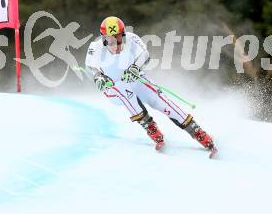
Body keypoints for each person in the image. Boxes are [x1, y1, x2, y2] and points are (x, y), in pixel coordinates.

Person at [85, 16, 217, 158]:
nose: (114, 44)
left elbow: (145, 55)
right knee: (122, 89)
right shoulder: (96, 47)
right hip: (113, 88)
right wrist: (98, 77)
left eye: (117, 39)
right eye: (109, 40)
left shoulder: (131, 38)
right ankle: (150, 127)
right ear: (103, 38)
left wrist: (135, 67)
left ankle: (196, 130)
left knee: (159, 99)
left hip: (134, 78)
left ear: (123, 35)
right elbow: (90, 67)